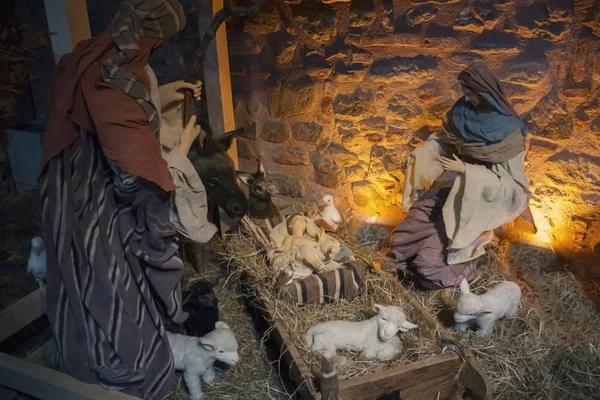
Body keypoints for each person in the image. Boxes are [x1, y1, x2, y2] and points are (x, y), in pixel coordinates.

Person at [38, 0, 216, 397]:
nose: (156, 48)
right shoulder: (116, 80)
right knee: (111, 287)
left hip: (67, 196)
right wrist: (179, 155)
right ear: (149, 34)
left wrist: (166, 92)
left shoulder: (86, 57)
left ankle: (80, 358)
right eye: (159, 41)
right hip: (98, 209)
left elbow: (104, 113)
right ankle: (126, 377)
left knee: (76, 281)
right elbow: (132, 179)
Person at [388, 62, 535, 290]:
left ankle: (469, 265)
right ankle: (398, 263)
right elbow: (445, 140)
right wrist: (422, 155)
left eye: (471, 94)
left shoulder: (508, 132)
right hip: (448, 185)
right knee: (403, 235)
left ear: (486, 94)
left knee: (428, 267)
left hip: (474, 199)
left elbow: (512, 187)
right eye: (465, 93)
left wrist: (468, 171)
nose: (467, 99)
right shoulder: (463, 113)